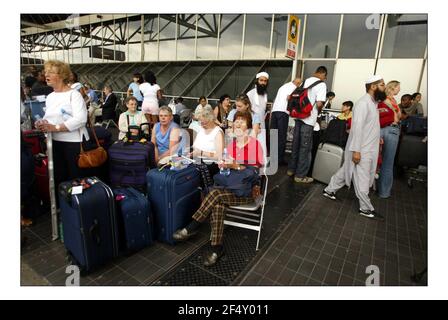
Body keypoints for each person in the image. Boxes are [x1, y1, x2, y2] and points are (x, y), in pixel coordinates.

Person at [172, 111, 264, 267]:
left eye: (242, 121)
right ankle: (216, 248)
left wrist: (235, 165)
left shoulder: (254, 144)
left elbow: (256, 174)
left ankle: (193, 225)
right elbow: (225, 170)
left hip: (246, 191)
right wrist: (223, 166)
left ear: (248, 126)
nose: (238, 124)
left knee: (215, 194)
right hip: (228, 189)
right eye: (236, 121)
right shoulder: (232, 145)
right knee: (218, 203)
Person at [323, 75, 386, 221]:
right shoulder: (363, 103)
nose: (384, 88)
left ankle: (329, 190)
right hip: (361, 149)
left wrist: (377, 138)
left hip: (367, 147)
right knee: (362, 179)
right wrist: (357, 151)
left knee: (345, 170)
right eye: (382, 85)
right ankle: (365, 208)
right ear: (373, 86)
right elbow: (357, 129)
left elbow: (369, 127)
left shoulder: (372, 103)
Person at [35, 60, 89, 190]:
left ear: (61, 75)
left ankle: (77, 207)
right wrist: (42, 123)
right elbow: (49, 118)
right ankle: (63, 207)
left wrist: (56, 127)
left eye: (51, 72)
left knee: (75, 179)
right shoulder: (50, 96)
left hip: (74, 144)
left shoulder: (74, 95)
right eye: (46, 72)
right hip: (55, 142)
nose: (46, 75)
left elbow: (81, 119)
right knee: (59, 177)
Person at [287, 66, 328, 183]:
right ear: (324, 74)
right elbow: (319, 103)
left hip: (298, 117)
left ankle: (291, 170)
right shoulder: (321, 84)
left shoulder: (305, 81)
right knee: (305, 147)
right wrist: (318, 113)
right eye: (325, 77)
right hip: (308, 119)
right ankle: (300, 175)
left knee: (296, 145)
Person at [377, 80, 401, 199]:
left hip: (380, 129)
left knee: (374, 160)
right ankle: (384, 192)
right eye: (398, 87)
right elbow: (398, 117)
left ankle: (364, 187)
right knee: (387, 163)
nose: (399, 90)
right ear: (393, 88)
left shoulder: (381, 99)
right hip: (391, 130)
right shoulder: (391, 101)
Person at [270, 78, 302, 165]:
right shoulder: (293, 88)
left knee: (274, 135)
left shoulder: (283, 86)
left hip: (274, 112)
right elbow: (289, 98)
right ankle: (279, 160)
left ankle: (272, 158)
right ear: (298, 83)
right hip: (283, 112)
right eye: (299, 84)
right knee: (281, 136)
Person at [190, 105, 224, 176]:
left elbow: (218, 156)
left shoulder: (217, 133)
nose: (202, 125)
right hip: (197, 161)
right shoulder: (202, 129)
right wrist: (192, 153)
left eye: (204, 123)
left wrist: (201, 153)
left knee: (188, 173)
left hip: (210, 164)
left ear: (211, 120)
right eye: (201, 123)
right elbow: (196, 146)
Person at [246, 72, 269, 156]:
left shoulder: (265, 94)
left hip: (262, 125)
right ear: (257, 81)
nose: (263, 83)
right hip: (252, 125)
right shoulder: (250, 93)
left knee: (261, 145)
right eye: (261, 80)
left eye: (265, 81)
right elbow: (247, 110)